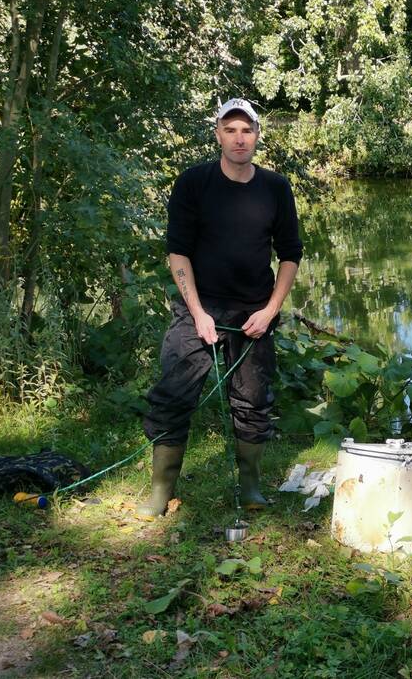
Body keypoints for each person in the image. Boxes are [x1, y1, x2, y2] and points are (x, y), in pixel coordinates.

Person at [137, 98, 303, 517]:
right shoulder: (193, 183)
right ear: (217, 136)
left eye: (246, 130)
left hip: (254, 313)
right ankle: (160, 491)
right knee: (172, 395)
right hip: (199, 308)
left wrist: (269, 311)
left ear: (258, 135)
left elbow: (290, 255)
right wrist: (197, 313)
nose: (239, 138)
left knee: (253, 400)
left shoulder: (276, 188)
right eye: (230, 130)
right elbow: (178, 253)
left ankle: (250, 487)